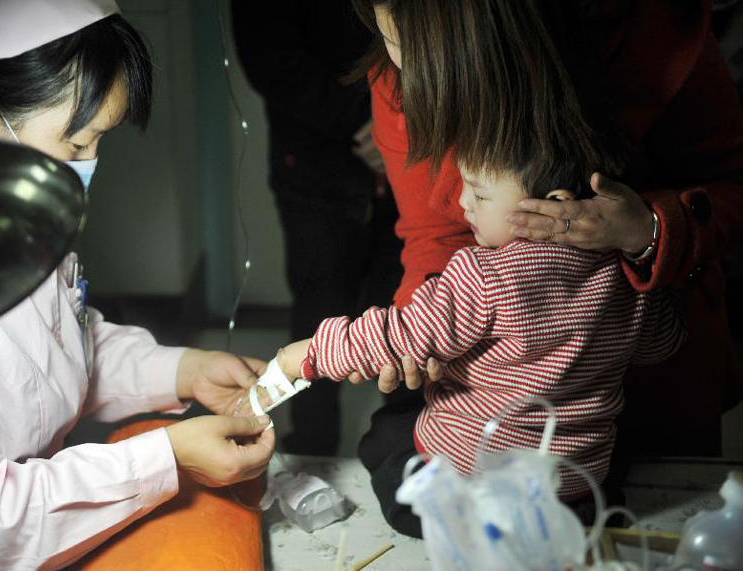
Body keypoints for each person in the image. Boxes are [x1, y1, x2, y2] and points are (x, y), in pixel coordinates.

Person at [0, 1, 274, 568]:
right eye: (76, 145)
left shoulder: (0, 198)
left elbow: (55, 353)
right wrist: (165, 458)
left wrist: (182, 370)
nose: (90, 166)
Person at [346, 0, 743, 460]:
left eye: (427, 59)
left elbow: (730, 183)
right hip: (497, 418)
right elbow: (431, 231)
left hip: (656, 396)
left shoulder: (655, 34)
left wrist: (650, 228)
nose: (410, 79)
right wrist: (421, 331)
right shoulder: (397, 80)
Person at [275, 100, 687, 537]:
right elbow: (662, 344)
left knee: (385, 436)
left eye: (481, 193)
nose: (462, 201)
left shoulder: (483, 274)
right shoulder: (628, 275)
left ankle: (461, 525)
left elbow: (399, 336)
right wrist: (647, 274)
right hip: (572, 487)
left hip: (473, 484)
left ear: (555, 205)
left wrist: (312, 354)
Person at [231, 1, 404, 455]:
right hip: (317, 167)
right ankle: (310, 448)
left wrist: (397, 130)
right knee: (321, 305)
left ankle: (405, 452)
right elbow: (272, 59)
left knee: (401, 306)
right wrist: (365, 125)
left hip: (408, 155)